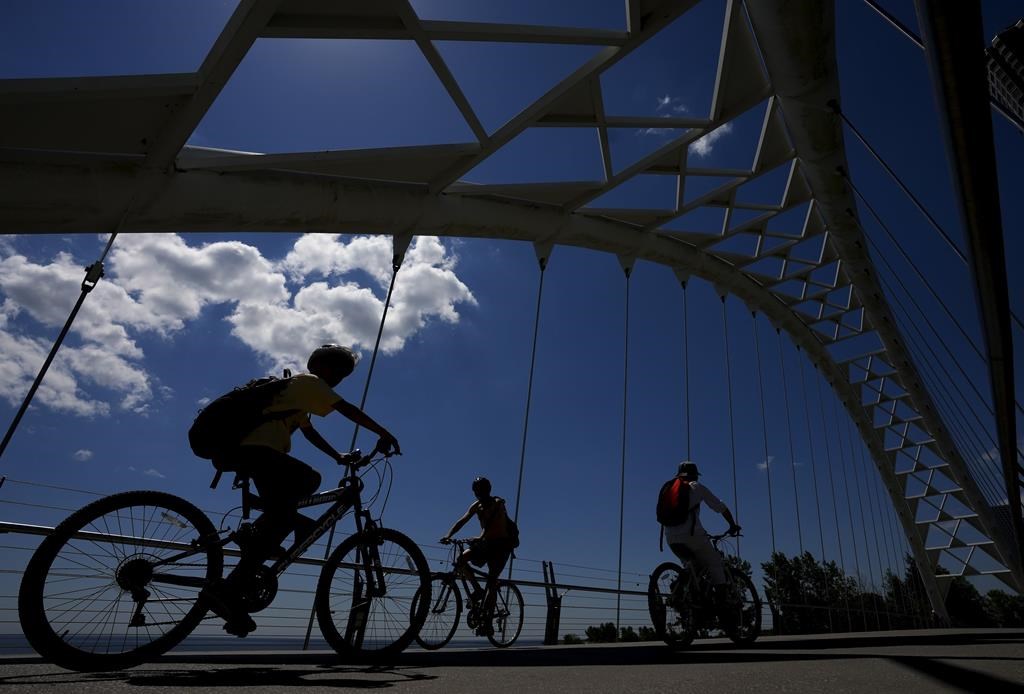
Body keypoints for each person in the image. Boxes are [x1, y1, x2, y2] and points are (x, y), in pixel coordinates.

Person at [205, 344, 400, 636]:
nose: (339, 380)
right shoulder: (308, 382)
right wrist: (384, 432)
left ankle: (234, 586)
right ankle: (257, 547)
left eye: (344, 376)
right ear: (321, 366)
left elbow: (309, 432)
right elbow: (346, 408)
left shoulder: (294, 396)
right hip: (255, 451)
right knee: (307, 480)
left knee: (279, 519)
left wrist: (338, 456)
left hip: (252, 453)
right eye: (339, 372)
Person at [439, 477, 515, 635]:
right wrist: (448, 535)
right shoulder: (476, 505)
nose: (478, 493)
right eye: (476, 491)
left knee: (492, 581)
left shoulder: (498, 503)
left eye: (481, 490)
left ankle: (488, 624)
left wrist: (480, 538)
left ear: (488, 489)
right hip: (486, 544)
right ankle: (478, 590)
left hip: (501, 546)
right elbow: (462, 520)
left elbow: (493, 525)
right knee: (460, 560)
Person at [663, 461, 741, 613]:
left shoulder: (669, 489)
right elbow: (720, 507)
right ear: (695, 475)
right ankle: (722, 602)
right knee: (715, 563)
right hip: (692, 536)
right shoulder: (696, 487)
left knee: (692, 567)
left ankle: (682, 591)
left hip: (670, 538)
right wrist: (732, 525)